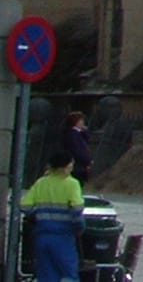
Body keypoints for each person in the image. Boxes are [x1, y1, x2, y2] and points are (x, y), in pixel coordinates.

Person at [21, 149, 85, 282]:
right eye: (70, 165)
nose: (71, 168)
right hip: (63, 237)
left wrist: (37, 215)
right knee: (68, 274)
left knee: (46, 276)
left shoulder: (41, 183)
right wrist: (79, 226)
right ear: (65, 167)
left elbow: (24, 206)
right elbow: (77, 208)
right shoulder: (71, 184)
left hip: (42, 237)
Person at [59, 111, 91, 183]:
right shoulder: (72, 135)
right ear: (76, 122)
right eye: (81, 120)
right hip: (76, 166)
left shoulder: (78, 133)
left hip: (80, 165)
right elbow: (77, 151)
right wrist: (87, 161)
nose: (83, 122)